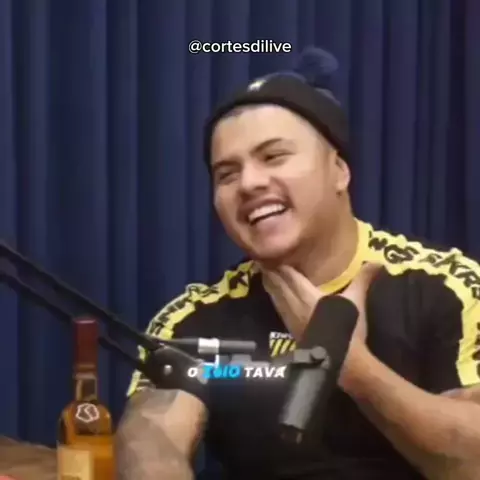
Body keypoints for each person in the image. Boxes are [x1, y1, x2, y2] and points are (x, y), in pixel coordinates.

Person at [114, 48, 480, 479]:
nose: (249, 183)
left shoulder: (449, 286)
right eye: (226, 173)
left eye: (273, 156)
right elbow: (149, 437)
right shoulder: (193, 318)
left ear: (339, 170)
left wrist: (353, 368)